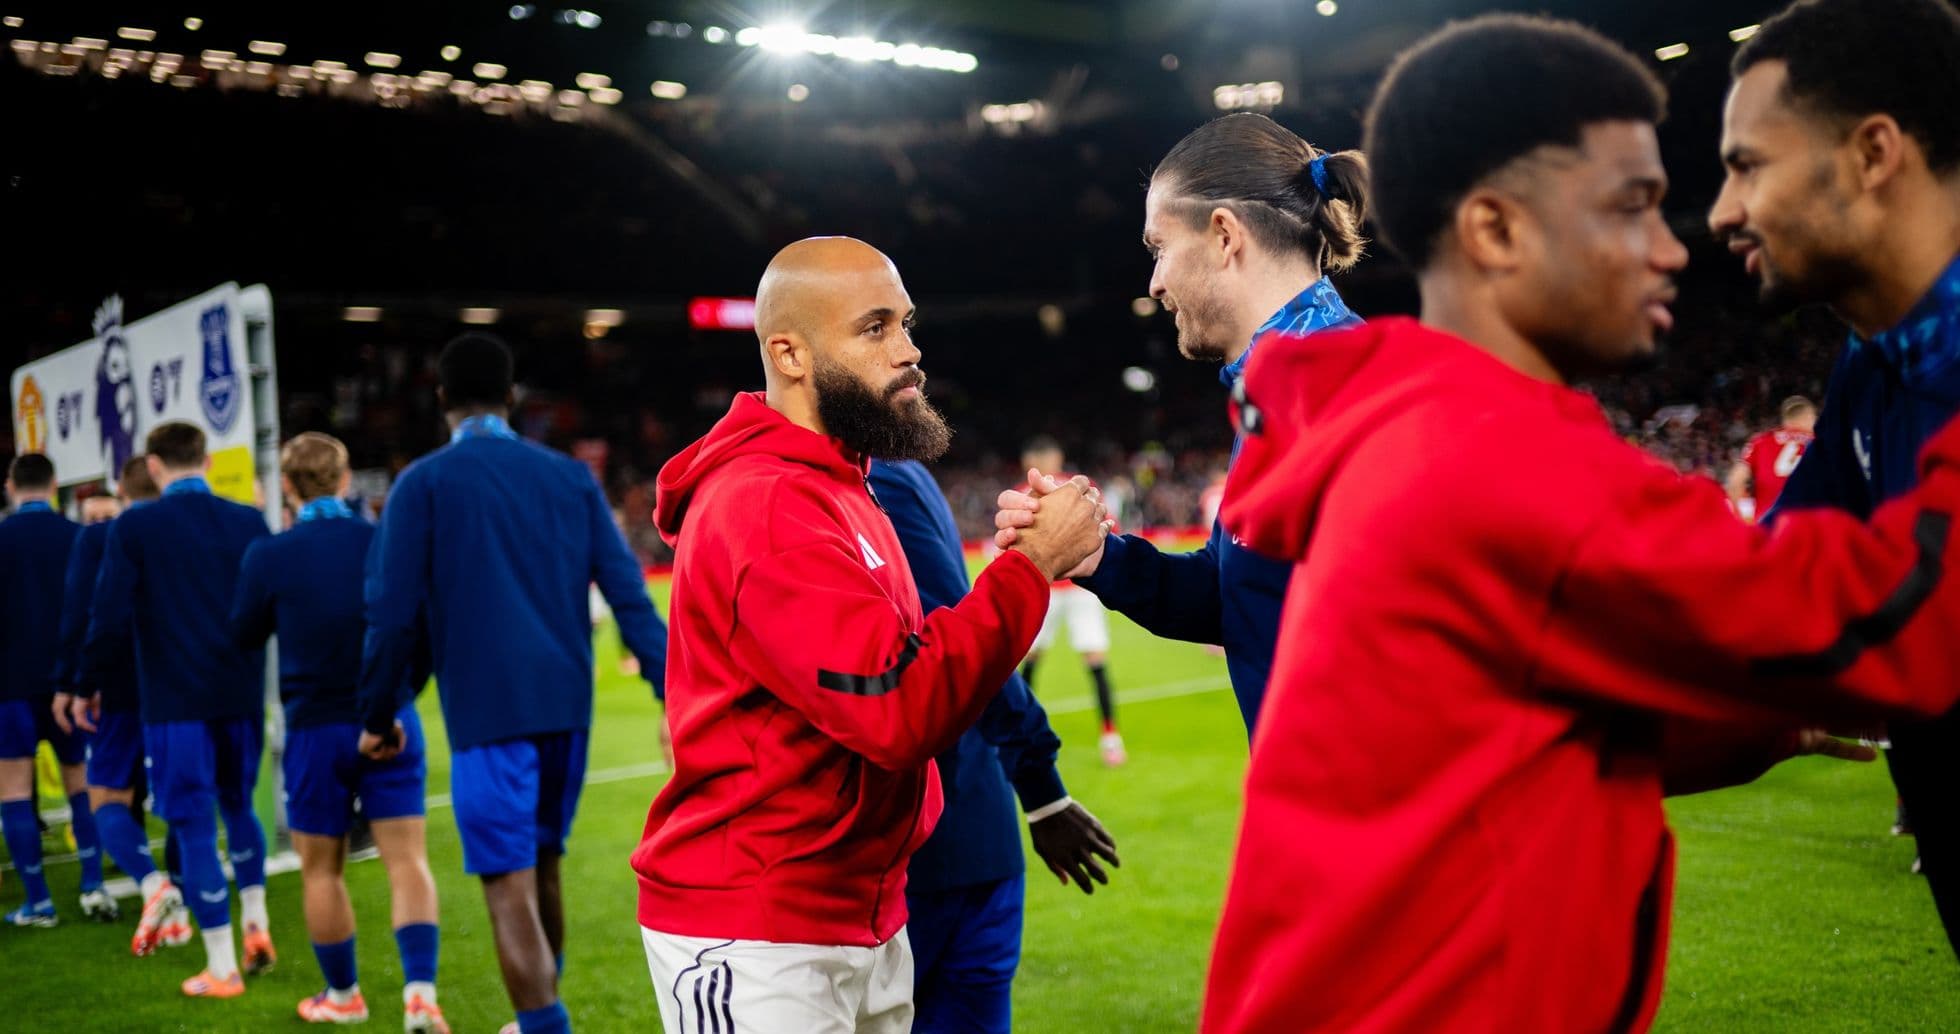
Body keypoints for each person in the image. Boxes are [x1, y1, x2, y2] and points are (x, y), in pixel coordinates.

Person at [1198, 15, 1960, 1032]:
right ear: (1497, 229)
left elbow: (1544, 739)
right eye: (1633, 206)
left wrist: (1765, 715)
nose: (1676, 242)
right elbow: (1891, 624)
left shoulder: (1417, 425)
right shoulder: (1494, 462)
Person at [636, 236, 1108, 1034]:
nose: (910, 352)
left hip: (858, 909)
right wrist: (1031, 567)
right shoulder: (767, 504)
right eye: (877, 328)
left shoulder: (843, 485)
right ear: (789, 352)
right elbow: (898, 710)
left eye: (907, 324)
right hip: (760, 929)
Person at [1709, 0, 1960, 959]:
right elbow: (1768, 590)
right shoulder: (1874, 364)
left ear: (1873, 152)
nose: (1724, 210)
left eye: (1747, 165)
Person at [994, 112, 1367, 733]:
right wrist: (1097, 556)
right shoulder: (1277, 396)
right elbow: (1235, 599)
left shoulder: (1351, 396)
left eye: (1159, 247)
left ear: (1224, 235)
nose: (1156, 282)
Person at [358, 332, 670, 1034]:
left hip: (487, 714)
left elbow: (391, 617)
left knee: (507, 885)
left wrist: (378, 714)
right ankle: (537, 1020)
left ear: (440, 400)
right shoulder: (568, 477)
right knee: (545, 865)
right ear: (510, 398)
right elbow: (626, 594)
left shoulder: (422, 484)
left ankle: (543, 1027)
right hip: (567, 709)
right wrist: (672, 691)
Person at [871, 456, 1120, 1034]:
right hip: (967, 831)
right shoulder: (894, 470)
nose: (913, 359)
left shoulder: (876, 477)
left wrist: (1042, 787)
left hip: (925, 847)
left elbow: (955, 640)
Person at [231, 433, 448, 1031]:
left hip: (314, 731)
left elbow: (242, 636)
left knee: (321, 869)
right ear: (346, 479)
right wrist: (401, 697)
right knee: (407, 862)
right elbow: (424, 633)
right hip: (391, 722)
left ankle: (344, 997)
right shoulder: (382, 542)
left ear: (289, 487)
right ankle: (420, 995)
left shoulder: (269, 555)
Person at [84, 423, 274, 997]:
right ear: (208, 461)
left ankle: (221, 966)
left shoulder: (136, 524)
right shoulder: (248, 520)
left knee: (192, 823)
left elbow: (109, 612)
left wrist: (86, 680)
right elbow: (263, 607)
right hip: (239, 693)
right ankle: (257, 925)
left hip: (174, 700)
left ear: (155, 465)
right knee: (240, 807)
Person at [53, 457, 190, 953]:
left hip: (114, 689)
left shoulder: (96, 539)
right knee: (179, 798)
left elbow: (82, 615)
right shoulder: (187, 531)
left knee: (106, 796)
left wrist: (73, 683)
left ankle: (156, 887)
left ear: (122, 490)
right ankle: (183, 906)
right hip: (177, 687)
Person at [0, 454, 97, 927]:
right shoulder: (77, 537)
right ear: (55, 484)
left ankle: (39, 902)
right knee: (81, 782)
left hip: (10, 688)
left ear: (10, 486)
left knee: (15, 790)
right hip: (69, 685)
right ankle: (93, 886)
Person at [1014, 437, 1125, 766]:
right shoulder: (1070, 487)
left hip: (1063, 588)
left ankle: (1107, 736)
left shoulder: (1038, 491)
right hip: (1062, 588)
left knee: (1045, 659)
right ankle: (1109, 737)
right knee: (1050, 659)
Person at [1725, 396, 1818, 519]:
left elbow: (1735, 482)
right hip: (1807, 527)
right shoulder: (1822, 445)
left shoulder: (1761, 441)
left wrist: (1739, 517)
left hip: (1769, 525)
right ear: (1808, 418)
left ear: (1786, 420)